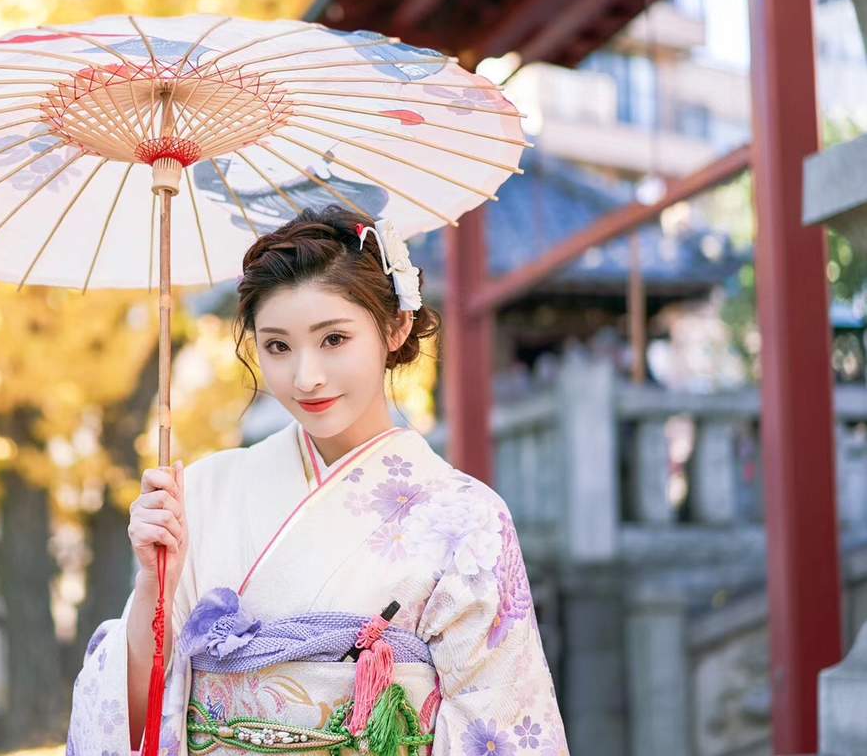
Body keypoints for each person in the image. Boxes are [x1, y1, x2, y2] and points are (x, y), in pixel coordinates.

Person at [67, 205, 569, 756]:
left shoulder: (467, 518)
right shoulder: (202, 494)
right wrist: (153, 585)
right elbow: (134, 718)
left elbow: (498, 729)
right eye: (278, 347)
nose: (306, 377)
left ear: (395, 327)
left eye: (333, 340)